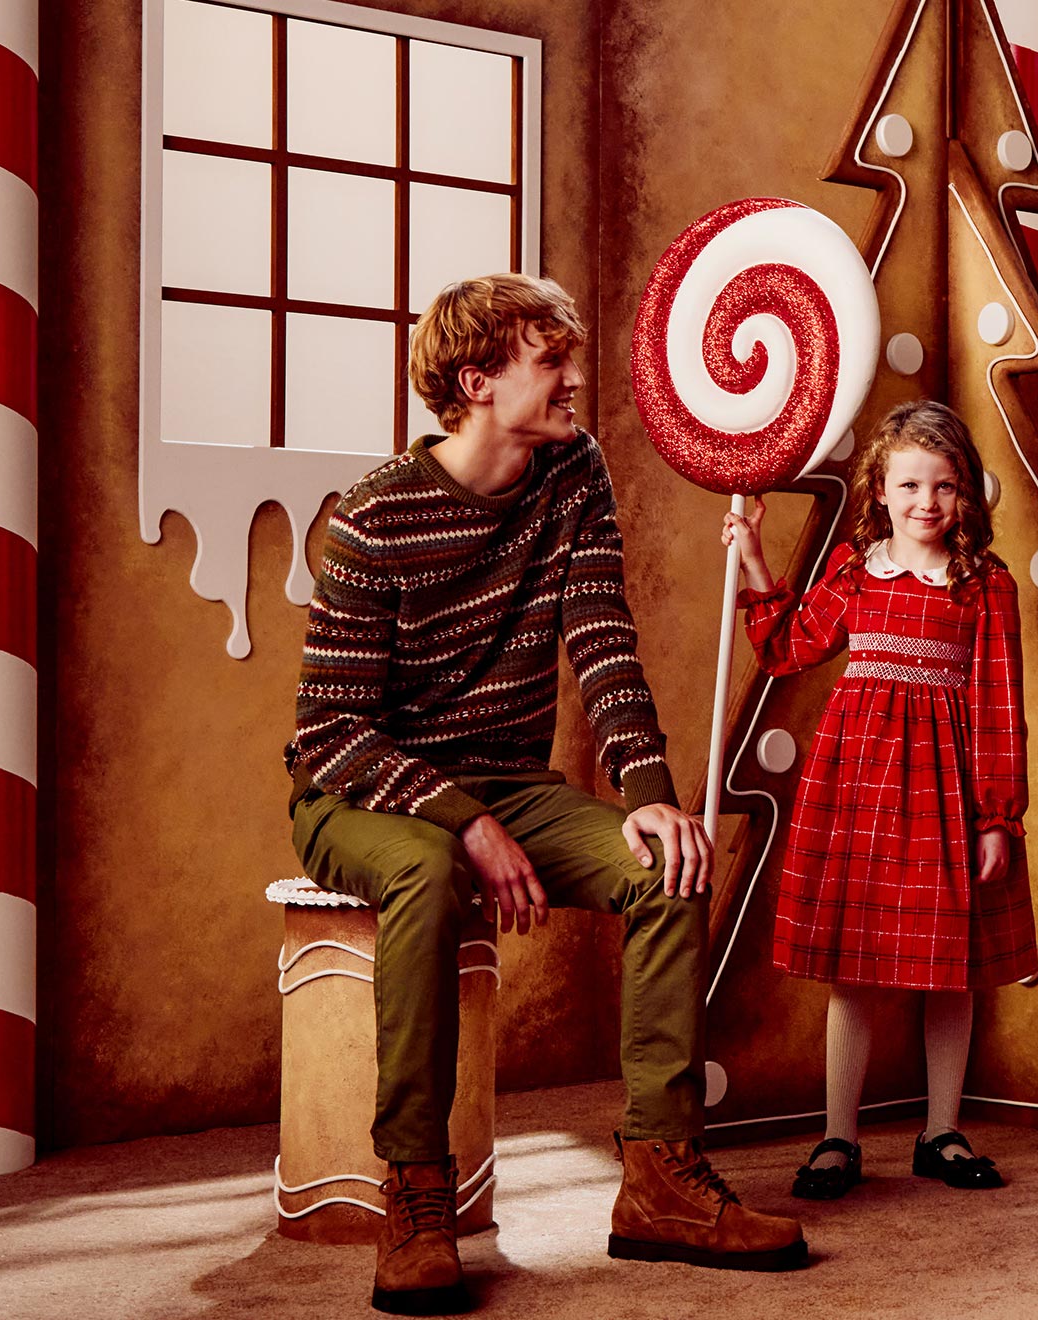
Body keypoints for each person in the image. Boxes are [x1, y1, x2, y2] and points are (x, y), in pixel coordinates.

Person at [287, 272, 806, 1314]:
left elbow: (602, 637)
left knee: (669, 863)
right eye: (550, 361)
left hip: (509, 784)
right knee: (429, 876)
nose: (575, 379)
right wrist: (463, 820)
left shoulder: (573, 472)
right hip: (366, 797)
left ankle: (660, 1176)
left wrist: (653, 792)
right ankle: (417, 1194)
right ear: (476, 381)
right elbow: (329, 732)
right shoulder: (370, 518)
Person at [717, 402, 1036, 1203]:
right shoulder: (858, 572)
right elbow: (789, 648)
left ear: (966, 495)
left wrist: (996, 815)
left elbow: (1000, 703)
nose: (927, 502)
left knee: (950, 973)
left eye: (945, 486)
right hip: (857, 788)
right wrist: (753, 553)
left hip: (946, 795)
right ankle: (839, 1136)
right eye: (910, 485)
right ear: (882, 491)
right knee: (853, 969)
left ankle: (942, 1129)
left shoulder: (985, 584)